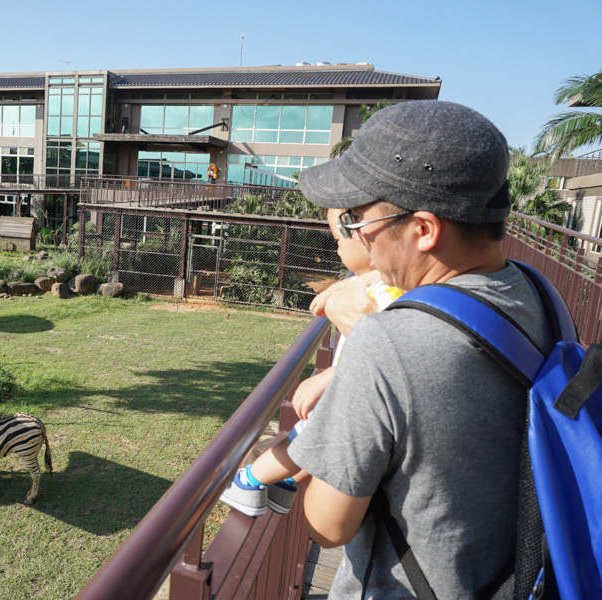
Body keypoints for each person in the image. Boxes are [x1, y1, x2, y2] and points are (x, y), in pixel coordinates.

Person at [243, 100, 555, 598]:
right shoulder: (540, 292)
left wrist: (358, 370)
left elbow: (328, 526)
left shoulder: (389, 341)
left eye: (357, 219)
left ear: (424, 229)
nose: (358, 238)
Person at [220, 208, 403, 516]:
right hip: (353, 389)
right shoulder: (385, 285)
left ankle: (249, 483)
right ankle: (286, 486)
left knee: (303, 441)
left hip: (352, 394)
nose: (339, 245)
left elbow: (383, 353)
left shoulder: (384, 295)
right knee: (311, 442)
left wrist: (331, 375)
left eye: (340, 237)